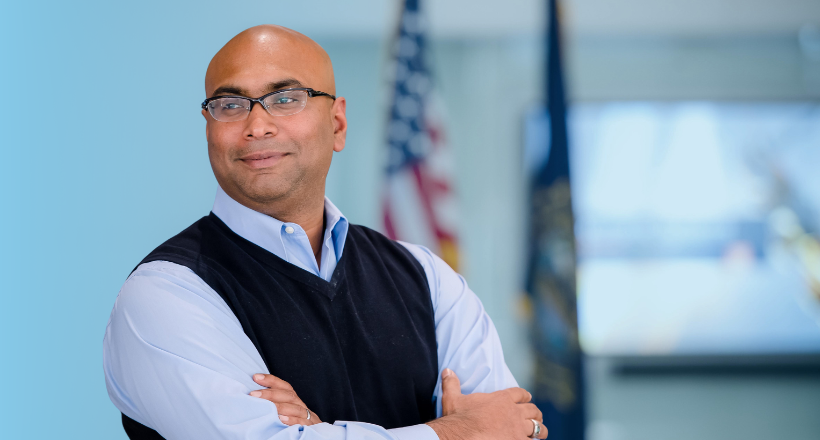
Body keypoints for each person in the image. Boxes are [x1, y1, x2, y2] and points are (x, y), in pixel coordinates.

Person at [103, 24, 547, 440]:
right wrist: (458, 431)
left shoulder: (426, 278)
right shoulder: (166, 293)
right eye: (230, 105)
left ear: (337, 124)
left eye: (285, 98)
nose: (257, 126)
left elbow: (511, 425)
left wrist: (320, 429)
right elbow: (487, 429)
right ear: (208, 128)